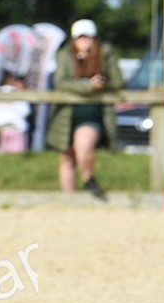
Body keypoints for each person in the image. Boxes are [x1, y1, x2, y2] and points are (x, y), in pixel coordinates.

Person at [46, 19, 123, 200]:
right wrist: (88, 86)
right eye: (81, 37)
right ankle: (69, 201)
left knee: (84, 145)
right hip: (65, 115)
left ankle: (88, 179)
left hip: (92, 114)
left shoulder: (105, 54)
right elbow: (60, 82)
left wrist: (102, 84)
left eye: (88, 37)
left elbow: (119, 81)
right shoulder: (65, 55)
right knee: (67, 159)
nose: (85, 41)